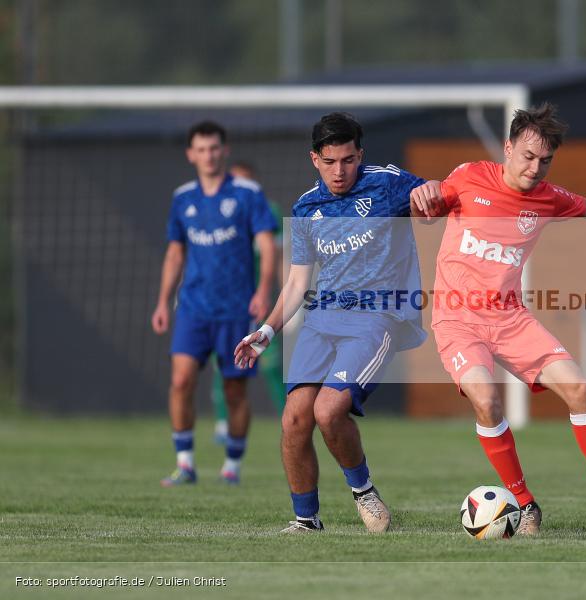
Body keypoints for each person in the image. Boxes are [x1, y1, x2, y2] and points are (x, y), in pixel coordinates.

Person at [408, 103, 586, 532]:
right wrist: (423, 194)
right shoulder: (470, 178)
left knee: (579, 387)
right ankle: (524, 504)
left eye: (545, 161)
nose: (536, 168)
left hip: (510, 318)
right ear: (508, 148)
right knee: (486, 400)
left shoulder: (548, 198)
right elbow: (429, 201)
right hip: (458, 320)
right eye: (528, 157)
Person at [235, 112, 428, 533]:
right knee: (295, 418)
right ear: (314, 159)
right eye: (330, 161)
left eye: (348, 160)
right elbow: (298, 280)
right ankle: (306, 520)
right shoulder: (307, 208)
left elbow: (435, 197)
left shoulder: (389, 182)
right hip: (322, 319)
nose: (340, 170)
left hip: (377, 315)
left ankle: (363, 491)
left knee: (328, 410)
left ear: (360, 155)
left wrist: (432, 197)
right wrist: (267, 331)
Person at [152, 121, 278, 486]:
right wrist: (162, 302)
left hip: (237, 310)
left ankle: (233, 465)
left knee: (234, 390)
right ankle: (185, 463)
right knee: (181, 381)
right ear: (191, 154)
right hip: (193, 308)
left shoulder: (248, 194)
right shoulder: (183, 199)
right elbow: (175, 254)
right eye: (201, 149)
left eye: (214, 148)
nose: (208, 155)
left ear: (225, 150)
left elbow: (267, 246)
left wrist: (263, 289)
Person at [211, 161, 286, 445]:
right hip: (227, 302)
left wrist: (290, 299)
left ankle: (288, 421)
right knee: (224, 361)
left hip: (261, 301)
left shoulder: (270, 212)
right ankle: (223, 423)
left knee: (272, 363)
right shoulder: (216, 213)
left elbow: (279, 257)